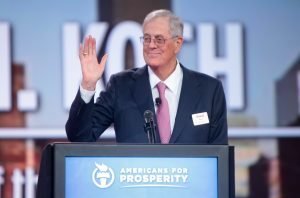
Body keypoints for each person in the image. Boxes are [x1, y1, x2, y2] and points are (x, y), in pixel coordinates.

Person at [66, 9, 228, 144]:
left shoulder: (209, 90)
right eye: (147, 38)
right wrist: (88, 85)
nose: (151, 45)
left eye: (159, 39)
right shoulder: (121, 86)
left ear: (178, 43)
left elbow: (220, 154)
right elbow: (80, 138)